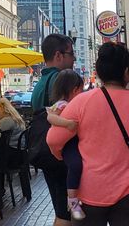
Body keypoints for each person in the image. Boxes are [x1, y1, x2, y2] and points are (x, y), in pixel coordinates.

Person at [47, 43, 129, 226]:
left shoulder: (82, 102)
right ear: (127, 72)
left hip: (88, 191)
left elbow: (53, 140)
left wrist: (66, 157)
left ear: (99, 73)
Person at [31, 33, 76, 226]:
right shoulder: (61, 81)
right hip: (62, 156)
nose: (74, 59)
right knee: (67, 214)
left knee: (62, 210)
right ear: (59, 55)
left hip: (46, 155)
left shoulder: (39, 84)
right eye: (71, 54)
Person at [46, 70, 85, 220]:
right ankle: (73, 202)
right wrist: (67, 123)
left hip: (75, 141)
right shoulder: (62, 104)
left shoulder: (75, 104)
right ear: (74, 89)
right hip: (68, 144)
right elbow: (51, 117)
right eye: (81, 89)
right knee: (76, 165)